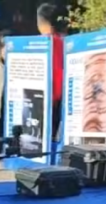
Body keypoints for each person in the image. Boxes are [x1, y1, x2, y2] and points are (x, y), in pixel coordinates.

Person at [36, 4, 64, 139]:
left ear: (40, 22)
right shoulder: (63, 42)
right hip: (59, 97)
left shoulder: (41, 43)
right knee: (51, 136)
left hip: (44, 98)